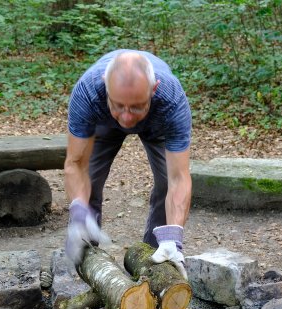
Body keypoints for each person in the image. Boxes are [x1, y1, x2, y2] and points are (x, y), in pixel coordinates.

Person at [63, 49, 192, 278]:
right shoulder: (88, 92)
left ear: (154, 89)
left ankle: (158, 261)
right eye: (119, 105)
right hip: (103, 121)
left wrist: (175, 236)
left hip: (156, 122)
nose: (127, 118)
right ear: (106, 86)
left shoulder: (171, 100)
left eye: (136, 106)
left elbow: (178, 178)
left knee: (165, 183)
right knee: (89, 183)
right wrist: (78, 211)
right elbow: (75, 163)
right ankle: (91, 265)